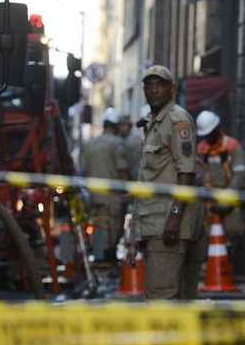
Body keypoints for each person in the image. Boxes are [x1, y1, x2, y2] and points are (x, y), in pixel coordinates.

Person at [128, 65, 204, 299]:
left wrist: (174, 216)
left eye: (159, 85)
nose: (153, 90)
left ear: (172, 89)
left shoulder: (176, 120)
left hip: (167, 226)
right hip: (155, 223)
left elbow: (187, 172)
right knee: (175, 299)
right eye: (149, 85)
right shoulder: (154, 123)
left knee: (161, 299)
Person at [195, 110, 245, 273]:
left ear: (218, 128)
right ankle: (208, 269)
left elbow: (239, 176)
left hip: (229, 199)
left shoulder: (232, 146)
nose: (208, 137)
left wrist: (225, 201)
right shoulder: (202, 148)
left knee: (234, 231)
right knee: (205, 235)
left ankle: (232, 268)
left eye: (210, 133)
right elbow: (199, 173)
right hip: (208, 200)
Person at [79, 107, 129, 263]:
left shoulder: (89, 144)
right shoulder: (117, 143)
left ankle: (100, 258)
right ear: (114, 126)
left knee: (98, 225)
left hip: (94, 195)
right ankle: (109, 258)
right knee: (113, 227)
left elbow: (83, 170)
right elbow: (122, 170)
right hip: (112, 196)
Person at [118, 115, 143, 180]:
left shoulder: (136, 140)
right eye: (123, 125)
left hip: (133, 176)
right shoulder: (116, 140)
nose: (125, 128)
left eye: (127, 125)